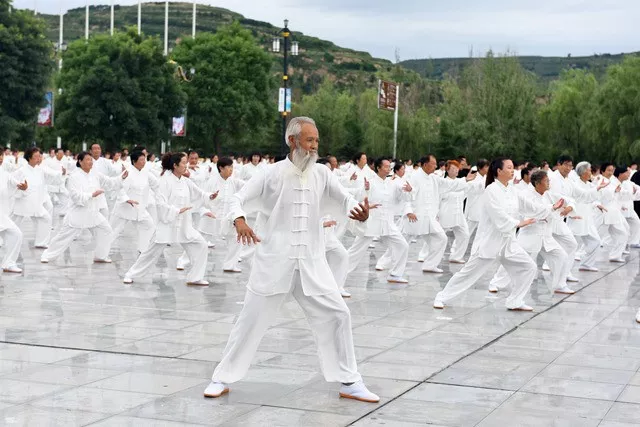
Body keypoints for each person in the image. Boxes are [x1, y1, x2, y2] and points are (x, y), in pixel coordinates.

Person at [203, 116, 378, 403]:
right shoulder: (271, 174)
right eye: (310, 140)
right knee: (250, 320)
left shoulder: (322, 174)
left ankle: (349, 381)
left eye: (317, 141)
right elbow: (236, 198)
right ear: (292, 140)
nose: (314, 146)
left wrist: (359, 211)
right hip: (274, 261)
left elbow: (345, 199)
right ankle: (221, 377)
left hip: (311, 262)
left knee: (338, 314)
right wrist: (239, 219)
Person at [434, 158, 560, 311]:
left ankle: (515, 301)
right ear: (499, 171)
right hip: (489, 242)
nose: (512, 170)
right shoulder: (491, 190)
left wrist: (551, 208)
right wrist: (518, 223)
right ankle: (441, 297)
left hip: (507, 242)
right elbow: (498, 215)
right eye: (508, 167)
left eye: (513, 167)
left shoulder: (512, 190)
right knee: (468, 274)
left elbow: (529, 206)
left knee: (529, 267)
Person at [123, 152, 218, 286]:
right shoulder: (164, 181)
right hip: (167, 224)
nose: (187, 165)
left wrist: (210, 196)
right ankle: (130, 274)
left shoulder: (185, 181)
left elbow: (199, 193)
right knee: (150, 253)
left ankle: (195, 277)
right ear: (175, 165)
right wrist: (177, 210)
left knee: (201, 245)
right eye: (184, 163)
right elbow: (160, 203)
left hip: (184, 225)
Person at [489, 170, 572, 295]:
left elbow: (567, 201)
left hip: (546, 237)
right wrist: (547, 212)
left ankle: (560, 285)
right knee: (513, 259)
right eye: (546, 181)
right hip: (530, 235)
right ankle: (495, 283)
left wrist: (569, 207)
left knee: (562, 256)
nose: (549, 183)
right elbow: (526, 213)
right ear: (537, 183)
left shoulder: (549, 194)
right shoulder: (525, 195)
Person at [40, 152, 128, 264]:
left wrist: (121, 177)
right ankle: (47, 255)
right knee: (63, 238)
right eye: (87, 160)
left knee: (106, 231)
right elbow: (75, 196)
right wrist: (92, 195)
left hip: (93, 212)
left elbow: (109, 182)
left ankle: (101, 256)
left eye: (91, 160)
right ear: (80, 162)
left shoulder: (95, 173)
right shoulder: (74, 176)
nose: (90, 162)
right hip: (77, 214)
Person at [346, 157, 413, 284]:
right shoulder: (370, 182)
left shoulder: (392, 183)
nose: (389, 169)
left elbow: (403, 197)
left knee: (402, 246)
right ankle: (336, 279)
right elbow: (360, 197)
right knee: (355, 252)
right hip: (371, 222)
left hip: (387, 223)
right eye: (386, 166)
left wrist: (408, 190)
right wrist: (366, 189)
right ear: (378, 168)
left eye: (390, 167)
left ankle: (395, 274)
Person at [406, 155, 476, 273]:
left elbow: (449, 185)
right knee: (401, 242)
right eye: (433, 164)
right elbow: (406, 195)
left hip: (430, 217)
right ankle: (386, 263)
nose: (435, 166)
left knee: (441, 238)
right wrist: (408, 211)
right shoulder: (414, 176)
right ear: (424, 165)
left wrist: (466, 179)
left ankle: (430, 265)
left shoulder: (434, 178)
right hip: (414, 216)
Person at [197, 157, 246, 273]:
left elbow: (248, 186)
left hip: (228, 218)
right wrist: (205, 211)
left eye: (232, 167)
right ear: (221, 168)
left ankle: (229, 265)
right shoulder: (211, 181)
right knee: (199, 241)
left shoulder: (234, 181)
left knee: (236, 239)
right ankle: (183, 261)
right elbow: (202, 199)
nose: (231, 170)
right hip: (212, 217)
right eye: (229, 167)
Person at [11, 147, 65, 249]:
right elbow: (11, 182)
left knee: (46, 218)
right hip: (23, 202)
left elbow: (51, 176)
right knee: (13, 223)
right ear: (29, 158)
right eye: (36, 157)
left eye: (39, 156)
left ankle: (41, 242)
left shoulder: (40, 170)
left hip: (35, 203)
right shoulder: (21, 171)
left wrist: (61, 173)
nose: (38, 158)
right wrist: (21, 188)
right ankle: (4, 240)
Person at [109, 150, 158, 253]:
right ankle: (101, 254)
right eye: (141, 160)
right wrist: (126, 199)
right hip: (124, 208)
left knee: (148, 225)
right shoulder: (127, 172)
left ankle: (143, 249)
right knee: (113, 231)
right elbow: (120, 187)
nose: (144, 162)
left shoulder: (146, 172)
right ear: (134, 161)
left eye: (144, 159)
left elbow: (156, 184)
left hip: (139, 207)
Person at [568, 161, 608, 272]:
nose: (591, 172)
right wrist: (598, 187)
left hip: (587, 218)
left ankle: (586, 264)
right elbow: (585, 196)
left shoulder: (589, 184)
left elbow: (591, 198)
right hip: (576, 217)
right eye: (589, 170)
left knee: (596, 241)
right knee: (569, 245)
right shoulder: (575, 184)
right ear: (583, 172)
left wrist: (598, 204)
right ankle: (561, 270)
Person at [438, 160, 471, 263]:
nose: (456, 170)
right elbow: (439, 198)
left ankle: (456, 256)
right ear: (447, 170)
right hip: (445, 212)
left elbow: (466, 193)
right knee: (438, 235)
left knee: (465, 234)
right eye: (453, 169)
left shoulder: (461, 182)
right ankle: (425, 255)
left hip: (459, 214)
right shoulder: (443, 182)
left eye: (457, 168)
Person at [0, 151, 26, 273]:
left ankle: (8, 263)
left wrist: (22, 186)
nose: (0, 158)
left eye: (1, 155)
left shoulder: (4, 174)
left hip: (2, 214)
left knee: (16, 234)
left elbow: (16, 183)